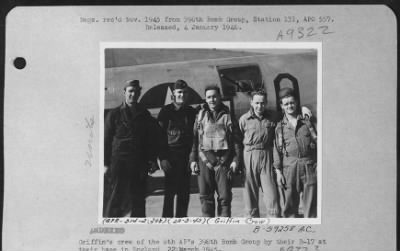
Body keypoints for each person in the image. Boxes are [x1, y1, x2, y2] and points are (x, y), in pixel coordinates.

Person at [103, 80, 160, 217]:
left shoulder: (144, 114)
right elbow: (106, 140)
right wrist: (105, 163)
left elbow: (150, 140)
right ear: (124, 93)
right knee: (116, 198)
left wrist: (152, 160)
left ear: (139, 93)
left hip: (139, 163)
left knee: (139, 200)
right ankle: (110, 225)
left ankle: (138, 228)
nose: (133, 94)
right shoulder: (114, 114)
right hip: (119, 162)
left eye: (136, 92)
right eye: (130, 91)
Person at [189, 85, 241, 217]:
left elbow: (235, 141)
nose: (212, 100)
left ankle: (223, 229)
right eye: (209, 97)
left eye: (214, 96)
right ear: (205, 99)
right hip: (204, 161)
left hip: (223, 162)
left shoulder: (228, 116)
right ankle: (209, 230)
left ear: (219, 97)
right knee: (205, 198)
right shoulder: (200, 117)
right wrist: (192, 160)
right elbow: (195, 140)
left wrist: (236, 160)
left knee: (225, 198)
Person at [273, 87, 318, 218]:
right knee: (290, 207)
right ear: (282, 106)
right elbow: (276, 150)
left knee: (311, 207)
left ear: (297, 102)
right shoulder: (279, 127)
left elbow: (318, 140)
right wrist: (278, 172)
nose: (289, 106)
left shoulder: (307, 121)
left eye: (292, 102)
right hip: (289, 168)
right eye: (286, 104)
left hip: (309, 165)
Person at [157, 80, 197, 217]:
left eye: (185, 92)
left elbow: (194, 138)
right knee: (169, 194)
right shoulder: (166, 111)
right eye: (179, 92)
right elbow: (160, 137)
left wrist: (192, 159)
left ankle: (181, 221)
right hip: (171, 157)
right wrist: (162, 158)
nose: (182, 95)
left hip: (186, 158)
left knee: (184, 194)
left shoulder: (191, 112)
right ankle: (166, 223)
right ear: (173, 94)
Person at [239, 90, 281, 218]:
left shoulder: (273, 117)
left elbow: (288, 117)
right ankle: (252, 223)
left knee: (272, 195)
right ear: (251, 102)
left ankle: (273, 223)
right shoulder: (244, 119)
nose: (260, 106)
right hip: (249, 156)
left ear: (266, 103)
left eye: (262, 103)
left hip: (266, 156)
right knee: (250, 196)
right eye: (257, 103)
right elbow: (239, 138)